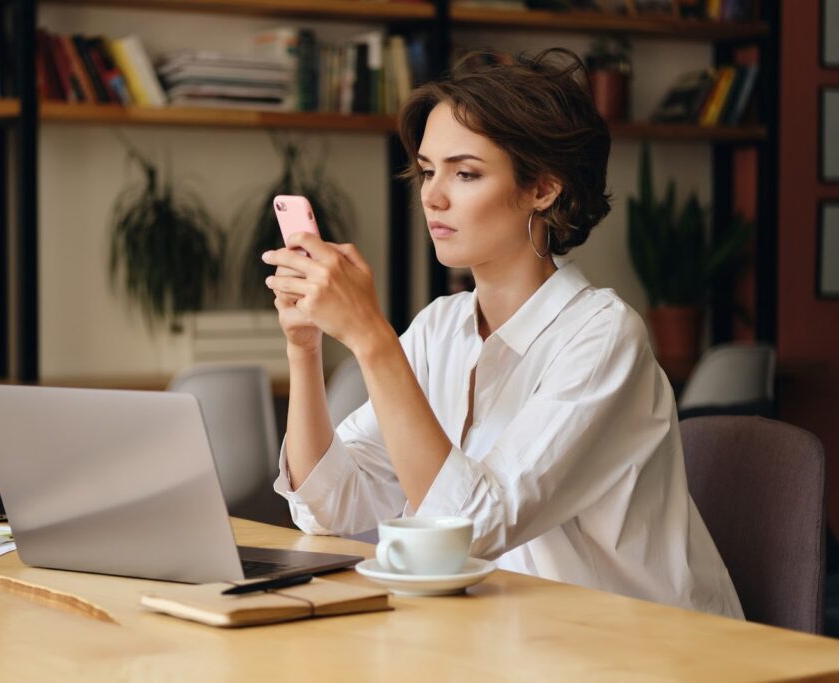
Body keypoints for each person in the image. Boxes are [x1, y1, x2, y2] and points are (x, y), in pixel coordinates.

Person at [261, 49, 743, 618]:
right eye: (427, 169)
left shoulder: (603, 337)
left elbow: (472, 528)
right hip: (511, 638)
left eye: (465, 173)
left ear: (543, 188)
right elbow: (330, 506)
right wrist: (305, 348)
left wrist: (372, 337)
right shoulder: (441, 328)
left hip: (645, 653)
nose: (433, 196)